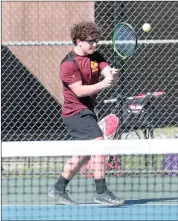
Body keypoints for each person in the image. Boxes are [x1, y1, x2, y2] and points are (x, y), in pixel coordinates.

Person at [49, 21, 124, 205]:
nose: (95, 44)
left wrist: (112, 75)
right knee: (99, 144)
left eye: (96, 40)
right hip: (75, 113)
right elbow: (80, 91)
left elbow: (107, 73)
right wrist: (103, 84)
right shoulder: (68, 64)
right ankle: (101, 191)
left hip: (87, 111)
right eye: (91, 41)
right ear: (79, 41)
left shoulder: (96, 56)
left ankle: (58, 189)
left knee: (84, 153)